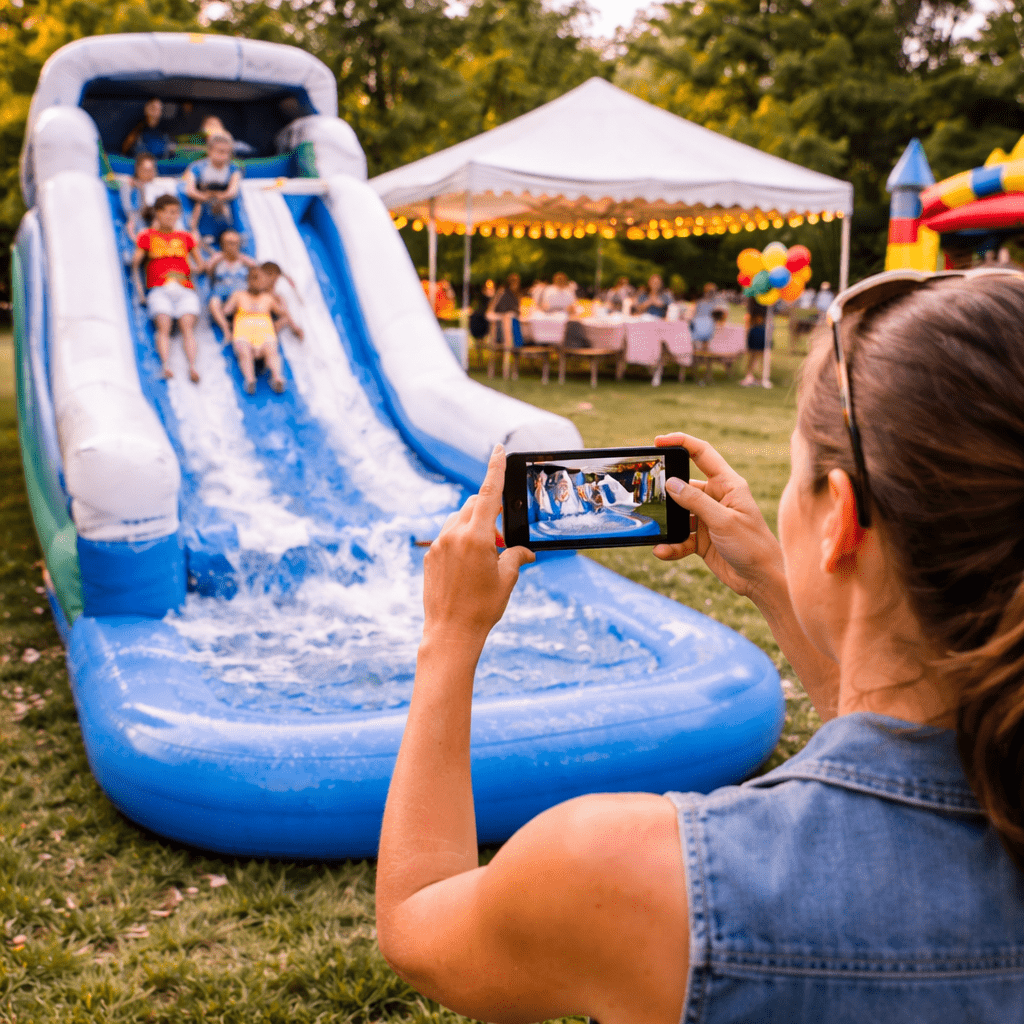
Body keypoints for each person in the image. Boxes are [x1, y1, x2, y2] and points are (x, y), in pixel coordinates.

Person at [374, 269, 1024, 1023]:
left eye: (797, 474)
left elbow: (419, 920)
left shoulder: (629, 874)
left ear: (840, 520)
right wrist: (775, 584)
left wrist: (449, 638)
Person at [131, 194, 205, 383]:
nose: (173, 216)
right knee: (163, 326)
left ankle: (193, 366)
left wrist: (189, 269)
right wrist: (140, 292)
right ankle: (166, 365)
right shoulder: (147, 236)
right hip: (160, 287)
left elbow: (200, 265)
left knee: (187, 328)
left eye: (176, 213)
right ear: (158, 213)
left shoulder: (185, 237)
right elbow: (135, 265)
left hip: (183, 287)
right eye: (169, 212)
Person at [222, 266, 301, 394]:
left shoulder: (268, 298)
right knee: (244, 351)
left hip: (265, 335)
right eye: (254, 278)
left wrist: (280, 321)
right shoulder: (239, 295)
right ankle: (250, 379)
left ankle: (277, 378)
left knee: (272, 350)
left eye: (260, 279)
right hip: (243, 334)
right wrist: (227, 326)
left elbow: (284, 313)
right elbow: (226, 311)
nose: (257, 281)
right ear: (248, 280)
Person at [182, 134, 243, 235]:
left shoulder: (234, 169)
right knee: (198, 207)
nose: (225, 156)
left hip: (223, 204)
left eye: (228, 152)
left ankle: (234, 232)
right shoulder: (196, 167)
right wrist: (206, 198)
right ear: (209, 151)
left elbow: (232, 192)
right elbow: (190, 190)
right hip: (201, 202)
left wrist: (218, 198)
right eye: (220, 151)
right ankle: (193, 231)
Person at [206, 229, 259, 340]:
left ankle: (240, 327)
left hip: (240, 291)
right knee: (214, 303)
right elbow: (209, 272)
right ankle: (225, 327)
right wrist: (216, 260)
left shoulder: (244, 259)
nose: (231, 246)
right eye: (228, 243)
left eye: (234, 243)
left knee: (241, 301)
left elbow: (257, 271)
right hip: (221, 291)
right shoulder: (218, 258)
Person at [260, 261, 303, 340]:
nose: (274, 282)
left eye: (276, 280)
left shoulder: (276, 296)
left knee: (284, 316)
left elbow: (285, 313)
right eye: (270, 275)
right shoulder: (262, 292)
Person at [740, 295, 767, 386]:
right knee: (761, 356)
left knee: (753, 356)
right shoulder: (764, 304)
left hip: (755, 330)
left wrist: (746, 333)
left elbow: (748, 320)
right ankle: (760, 376)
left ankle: (750, 375)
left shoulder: (753, 303)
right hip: (761, 330)